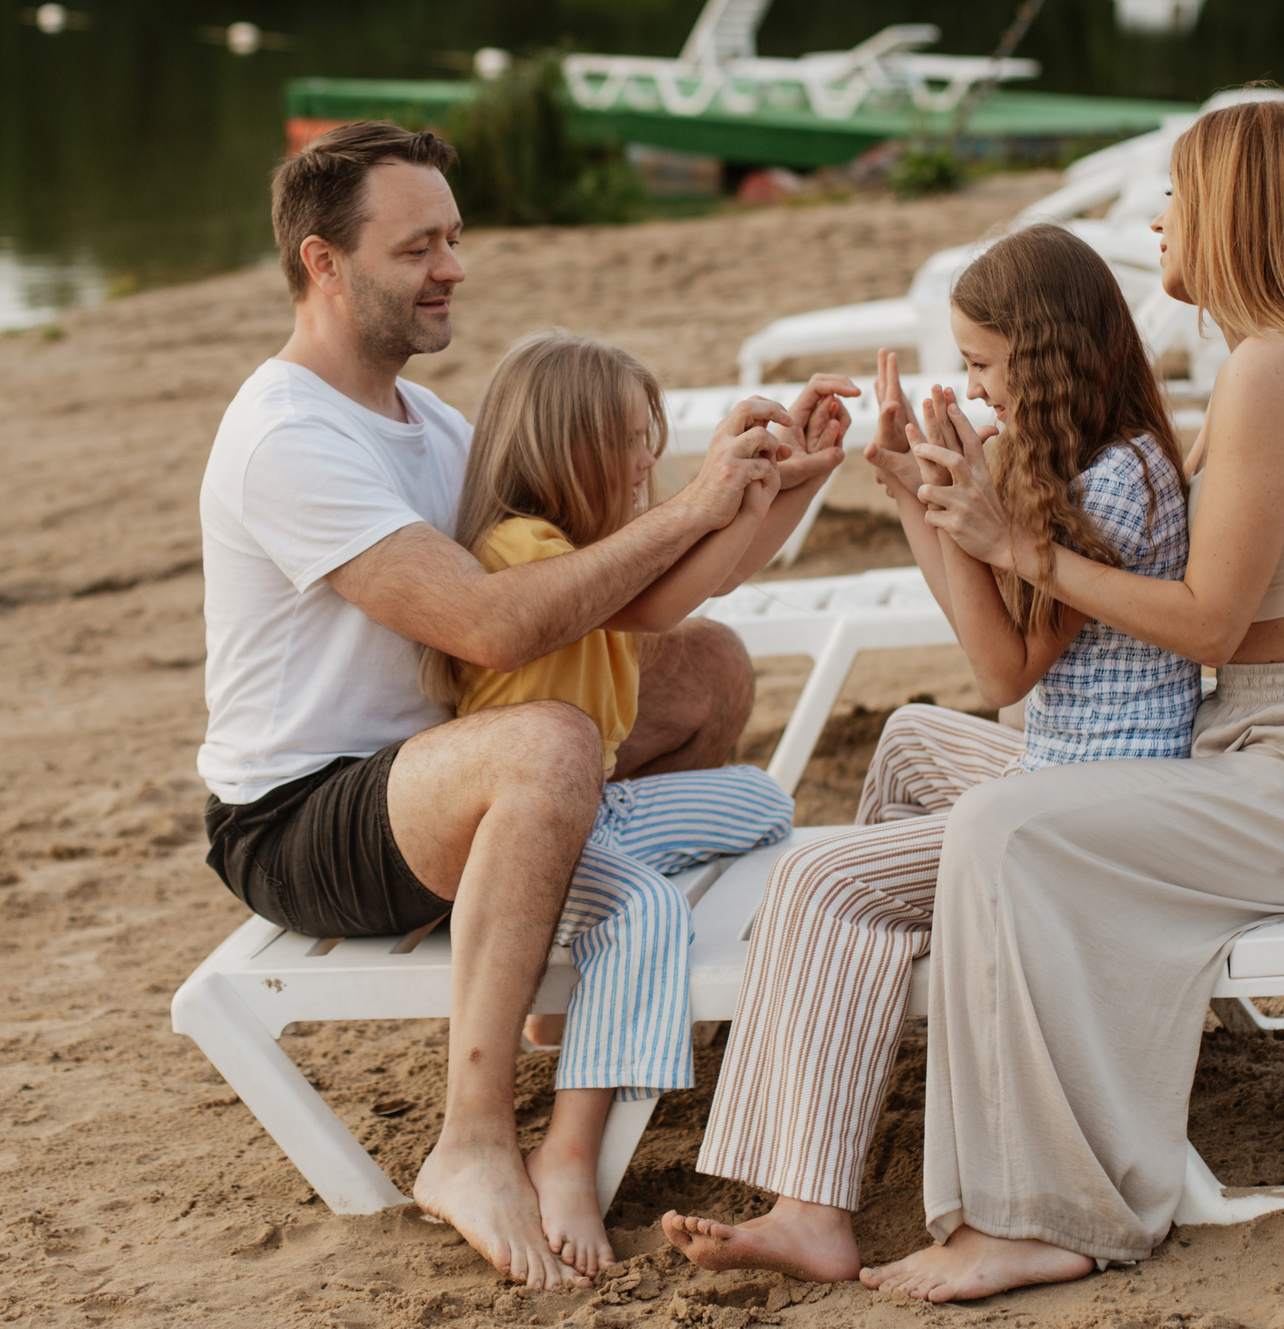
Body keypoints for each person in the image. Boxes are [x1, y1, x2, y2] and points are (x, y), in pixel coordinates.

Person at [671, 94, 1284, 1302]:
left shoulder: (1271, 370)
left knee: (994, 824)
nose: (1159, 217)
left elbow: (1206, 622)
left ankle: (1035, 1211)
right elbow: (1058, 646)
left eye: (1181, 195)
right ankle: (852, 1102)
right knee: (926, 748)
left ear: (1236, 212)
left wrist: (1014, 544)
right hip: (1267, 747)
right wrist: (960, 513)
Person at [195, 121, 852, 1287]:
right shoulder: (287, 437)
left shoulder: (431, 425)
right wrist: (691, 503)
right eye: (417, 249)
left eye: (453, 239)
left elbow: (631, 598)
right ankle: (473, 1140)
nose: (451, 268)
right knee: (549, 741)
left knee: (707, 665)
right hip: (300, 819)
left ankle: (578, 984)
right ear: (323, 263)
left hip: (437, 767)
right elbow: (494, 625)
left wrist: (771, 490)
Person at [663, 224, 1198, 1281]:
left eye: (984, 365)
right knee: (908, 740)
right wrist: (918, 494)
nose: (974, 386)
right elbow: (991, 645)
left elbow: (1003, 675)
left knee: (820, 880)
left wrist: (949, 505)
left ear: (1043, 359)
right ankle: (860, 1017)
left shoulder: (1114, 485)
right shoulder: (1099, 454)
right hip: (1065, 765)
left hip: (1095, 808)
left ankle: (811, 1207)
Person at [431, 330, 834, 1278]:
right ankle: (567, 1155)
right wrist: (726, 490)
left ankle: (576, 979)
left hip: (603, 810)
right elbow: (673, 588)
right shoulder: (527, 550)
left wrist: (800, 476)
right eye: (624, 440)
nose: (645, 459)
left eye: (647, 435)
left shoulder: (592, 549)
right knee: (650, 913)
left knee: (762, 800)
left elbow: (716, 569)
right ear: (560, 448)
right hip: (537, 835)